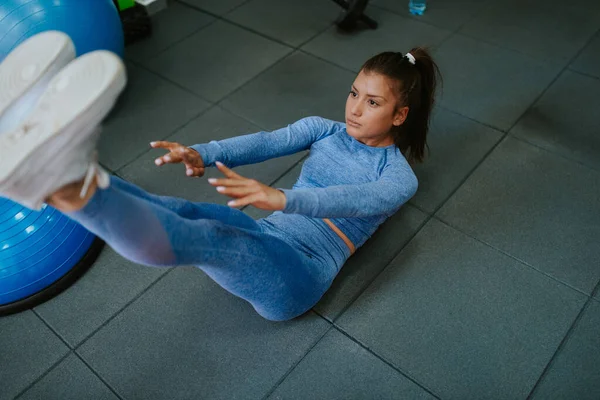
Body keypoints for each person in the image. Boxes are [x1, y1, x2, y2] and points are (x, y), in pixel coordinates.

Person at [0, 32, 441, 321]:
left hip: (300, 274)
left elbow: (349, 200)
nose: (354, 108)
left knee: (218, 240)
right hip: (266, 233)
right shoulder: (323, 129)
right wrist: (202, 152)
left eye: (372, 102)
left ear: (400, 115)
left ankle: (70, 183)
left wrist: (285, 199)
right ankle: (64, 181)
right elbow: (266, 141)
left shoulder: (399, 179)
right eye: (353, 93)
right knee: (192, 211)